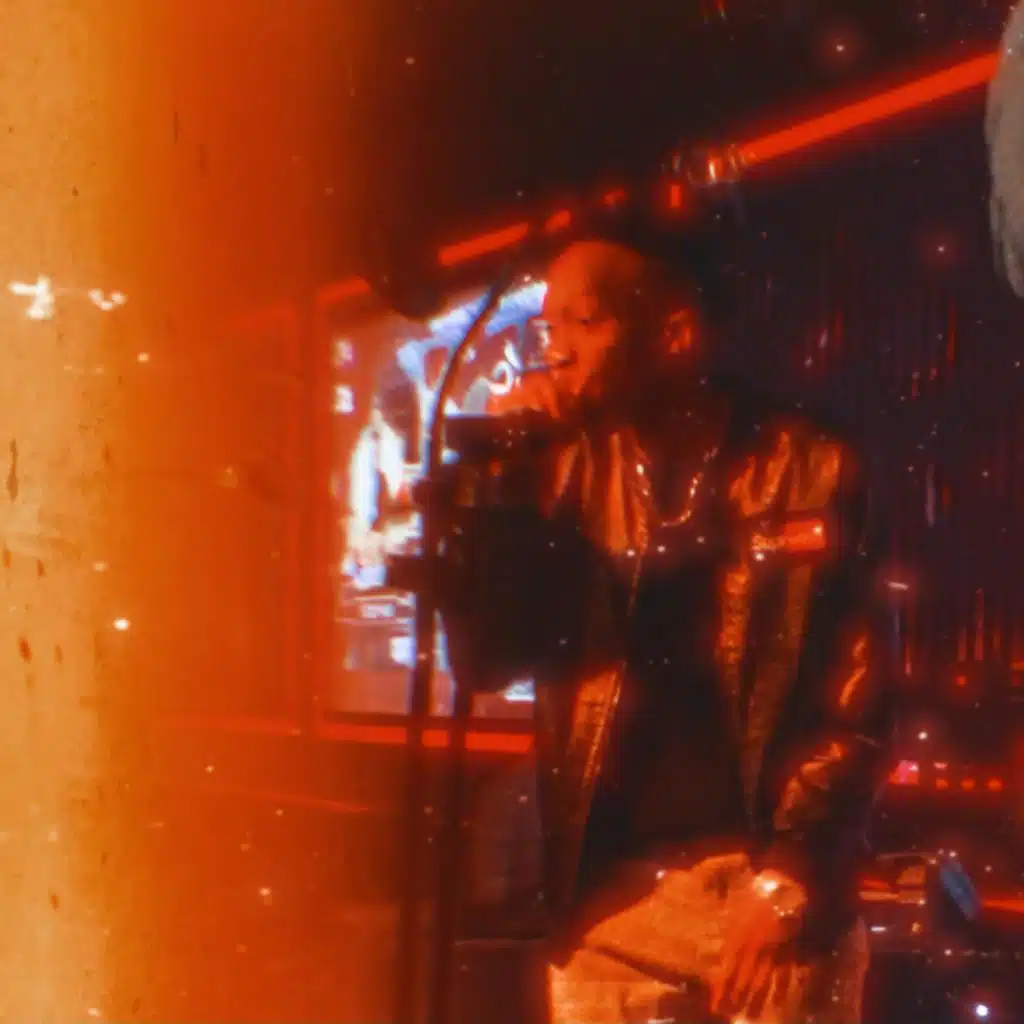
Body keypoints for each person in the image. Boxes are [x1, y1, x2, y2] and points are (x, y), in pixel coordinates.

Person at [443, 227, 900, 1024]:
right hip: (608, 915)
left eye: (582, 322)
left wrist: (789, 878)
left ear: (674, 334)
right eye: (546, 328)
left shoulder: (809, 466)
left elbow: (860, 693)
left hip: (763, 903)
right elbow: (487, 660)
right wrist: (504, 490)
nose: (555, 351)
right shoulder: (557, 470)